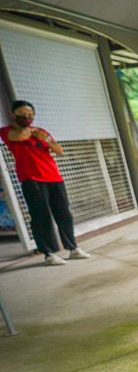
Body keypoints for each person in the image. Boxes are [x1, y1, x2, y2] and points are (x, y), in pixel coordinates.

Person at [0, 100, 89, 265]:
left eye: (30, 115)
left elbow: (59, 150)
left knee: (64, 215)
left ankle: (73, 248)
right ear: (13, 114)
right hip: (32, 179)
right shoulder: (6, 131)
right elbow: (20, 136)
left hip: (54, 177)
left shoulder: (41, 131)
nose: (27, 118)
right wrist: (32, 132)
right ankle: (49, 253)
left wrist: (46, 138)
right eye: (23, 115)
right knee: (41, 217)